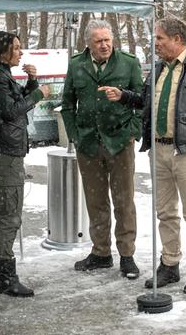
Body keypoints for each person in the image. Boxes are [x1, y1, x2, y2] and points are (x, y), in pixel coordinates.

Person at [99, 17, 186, 294]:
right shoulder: (158, 69)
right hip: (158, 150)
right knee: (165, 213)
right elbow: (147, 101)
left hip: (185, 152)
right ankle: (170, 264)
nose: (155, 43)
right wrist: (122, 96)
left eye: (160, 39)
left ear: (177, 39)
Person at [61, 20, 144, 279]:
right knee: (96, 202)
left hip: (120, 142)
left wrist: (132, 132)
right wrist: (75, 136)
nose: (105, 44)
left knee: (124, 202)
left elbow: (143, 102)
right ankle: (101, 253)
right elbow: (66, 105)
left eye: (107, 39)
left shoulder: (128, 63)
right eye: (98, 41)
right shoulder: (76, 64)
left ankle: (127, 255)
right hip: (88, 144)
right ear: (88, 43)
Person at [0, 31, 51, 297]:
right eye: (17, 48)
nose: (21, 53)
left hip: (4, 152)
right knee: (9, 216)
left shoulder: (0, 75)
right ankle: (6, 277)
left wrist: (32, 82)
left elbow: (18, 103)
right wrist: (39, 94)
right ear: (2, 51)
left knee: (0, 214)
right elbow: (12, 110)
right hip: (6, 155)